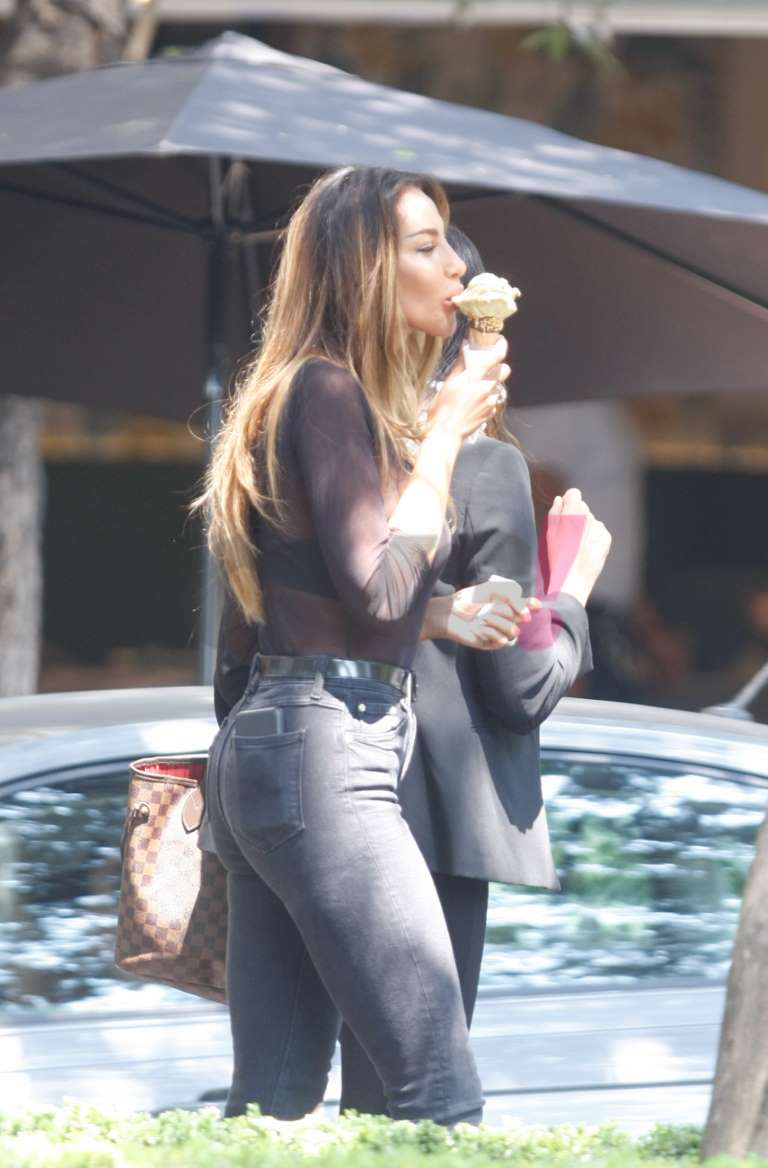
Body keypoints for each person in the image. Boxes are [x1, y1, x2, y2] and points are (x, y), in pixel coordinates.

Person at [195, 166, 529, 1126]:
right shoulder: (325, 389)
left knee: (274, 1109)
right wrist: (447, 431)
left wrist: (440, 616)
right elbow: (380, 585)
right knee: (436, 1097)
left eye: (449, 241)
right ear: (362, 270)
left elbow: (301, 601)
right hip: (326, 752)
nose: (455, 265)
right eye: (425, 245)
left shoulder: (301, 395)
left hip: (278, 745)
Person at [337, 226, 612, 1115]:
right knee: (414, 1105)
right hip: (435, 821)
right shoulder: (486, 466)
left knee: (318, 1091)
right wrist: (571, 590)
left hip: (324, 797)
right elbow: (520, 687)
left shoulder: (329, 450)